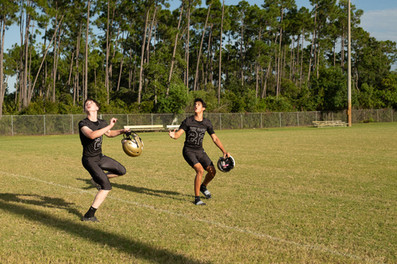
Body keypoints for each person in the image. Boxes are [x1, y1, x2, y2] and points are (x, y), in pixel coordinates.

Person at [168, 98, 231, 205]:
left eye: (198, 104)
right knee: (200, 170)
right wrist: (174, 135)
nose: (196, 106)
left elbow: (215, 138)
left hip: (200, 151)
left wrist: (224, 151)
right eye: (195, 104)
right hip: (188, 151)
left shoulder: (207, 123)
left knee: (212, 172)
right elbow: (178, 134)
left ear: (203, 108)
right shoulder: (188, 121)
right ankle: (197, 199)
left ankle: (203, 186)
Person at [78, 98, 130, 222]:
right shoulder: (83, 124)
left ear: (97, 107)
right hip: (89, 160)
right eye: (86, 104)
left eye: (91, 103)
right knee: (106, 186)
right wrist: (110, 126)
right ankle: (89, 215)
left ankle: (95, 179)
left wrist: (122, 131)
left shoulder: (102, 123)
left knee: (121, 171)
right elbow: (92, 135)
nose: (88, 104)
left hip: (100, 157)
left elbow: (110, 133)